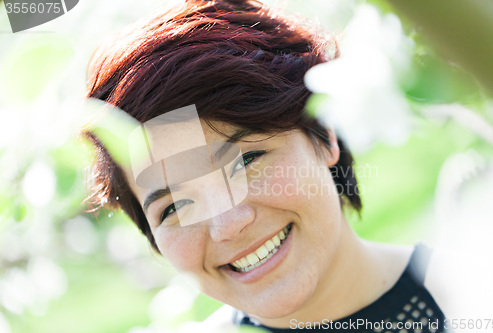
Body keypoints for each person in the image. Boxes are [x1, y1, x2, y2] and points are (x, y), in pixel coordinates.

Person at [83, 0, 449, 331]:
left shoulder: (475, 295)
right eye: (175, 206)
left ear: (324, 132)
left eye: (246, 161)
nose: (227, 224)